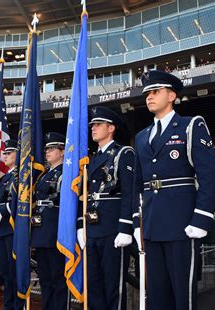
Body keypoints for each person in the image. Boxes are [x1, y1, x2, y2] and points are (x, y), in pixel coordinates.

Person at [133, 70, 215, 310]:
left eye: (155, 92)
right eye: (147, 93)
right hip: (151, 223)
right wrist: (135, 222)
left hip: (182, 222)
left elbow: (208, 175)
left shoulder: (190, 125)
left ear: (171, 95)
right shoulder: (141, 137)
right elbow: (137, 184)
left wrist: (202, 218)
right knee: (157, 294)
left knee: (183, 294)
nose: (149, 97)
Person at [79, 106, 135, 310]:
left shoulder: (123, 153)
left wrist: (125, 227)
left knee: (113, 287)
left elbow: (129, 193)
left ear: (110, 128)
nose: (93, 128)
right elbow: (83, 194)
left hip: (112, 228)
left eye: (97, 124)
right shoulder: (92, 160)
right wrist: (80, 225)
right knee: (93, 286)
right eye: (92, 125)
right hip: (92, 228)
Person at [31, 133, 68, 310]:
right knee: (45, 277)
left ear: (62, 152)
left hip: (55, 228)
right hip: (41, 229)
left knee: (57, 277)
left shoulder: (66, 173)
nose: (47, 152)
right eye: (46, 149)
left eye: (52, 149)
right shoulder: (44, 175)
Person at [0, 139, 25, 310]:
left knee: (13, 270)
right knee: (5, 271)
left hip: (12, 227)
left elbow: (19, 199)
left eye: (9, 153)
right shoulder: (4, 177)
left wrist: (3, 211)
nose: (5, 156)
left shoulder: (20, 175)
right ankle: (8, 304)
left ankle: (16, 305)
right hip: (2, 229)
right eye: (5, 153)